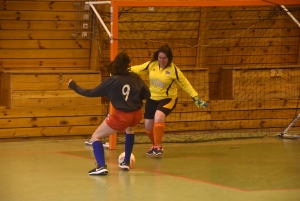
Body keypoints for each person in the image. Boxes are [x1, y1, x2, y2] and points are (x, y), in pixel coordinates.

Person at [68, 52, 150, 175]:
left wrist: (74, 86)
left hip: (122, 116)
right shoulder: (135, 77)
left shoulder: (112, 81)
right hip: (137, 114)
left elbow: (90, 93)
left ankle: (101, 166)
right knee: (130, 130)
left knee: (96, 136)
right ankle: (126, 162)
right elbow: (146, 94)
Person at [130, 45, 208, 157]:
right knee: (147, 125)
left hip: (168, 98)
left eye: (164, 58)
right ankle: (154, 146)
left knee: (159, 116)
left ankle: (158, 146)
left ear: (169, 58)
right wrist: (120, 71)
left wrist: (195, 97)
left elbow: (185, 83)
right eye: (159, 57)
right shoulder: (151, 65)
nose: (161, 60)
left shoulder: (173, 70)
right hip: (152, 98)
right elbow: (136, 69)